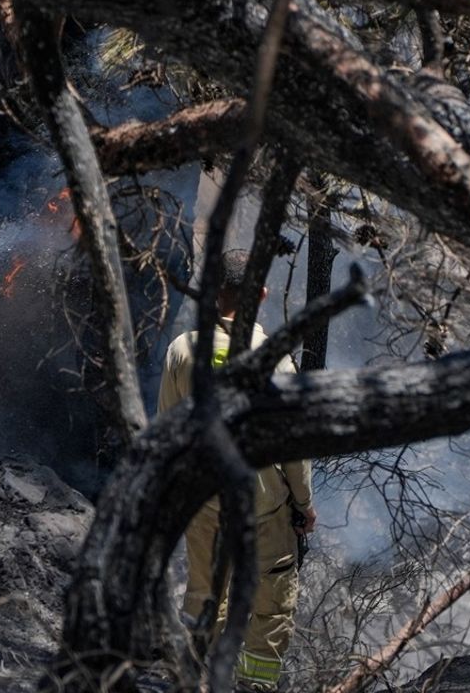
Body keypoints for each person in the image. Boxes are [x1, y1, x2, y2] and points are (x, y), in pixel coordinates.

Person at [158, 250, 315, 692]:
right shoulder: (277, 362)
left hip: (205, 500)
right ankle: (255, 687)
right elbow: (294, 451)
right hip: (262, 508)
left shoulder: (183, 350)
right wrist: (303, 505)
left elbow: (168, 431)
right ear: (261, 295)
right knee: (271, 606)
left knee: (204, 596)